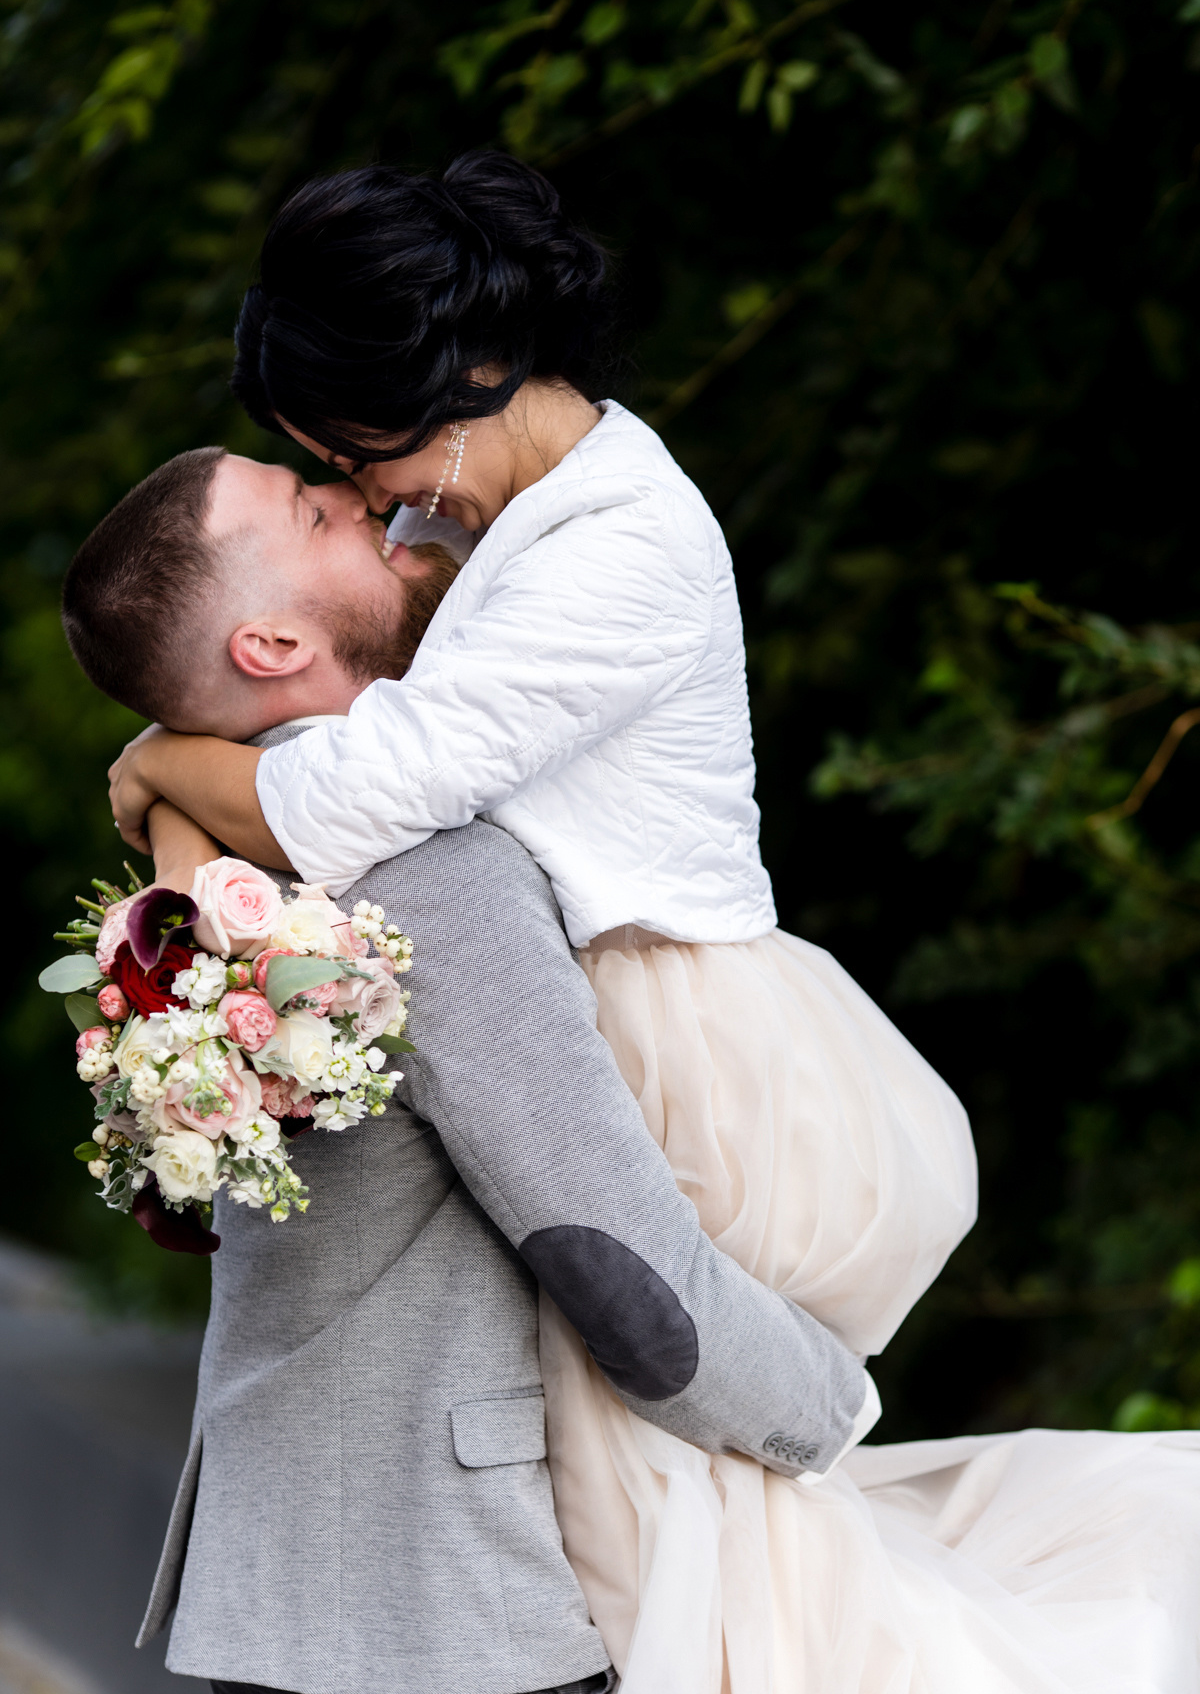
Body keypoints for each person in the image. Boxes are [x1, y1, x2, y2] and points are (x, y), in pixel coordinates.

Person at [99, 162, 1200, 1694]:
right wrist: (170, 802)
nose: (362, 498)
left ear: (448, 392)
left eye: (343, 458)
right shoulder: (458, 667)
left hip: (688, 1037)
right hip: (417, 1551)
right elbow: (611, 1260)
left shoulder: (611, 552)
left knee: (733, 1554)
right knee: (723, 1561)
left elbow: (365, 793)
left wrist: (162, 762)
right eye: (322, 485)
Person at [61, 448, 873, 1694]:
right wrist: (835, 1414)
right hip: (446, 1609)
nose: (363, 496)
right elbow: (629, 1282)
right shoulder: (428, 877)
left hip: (274, 1592)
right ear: (271, 646)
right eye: (314, 512)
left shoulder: (189, 897)